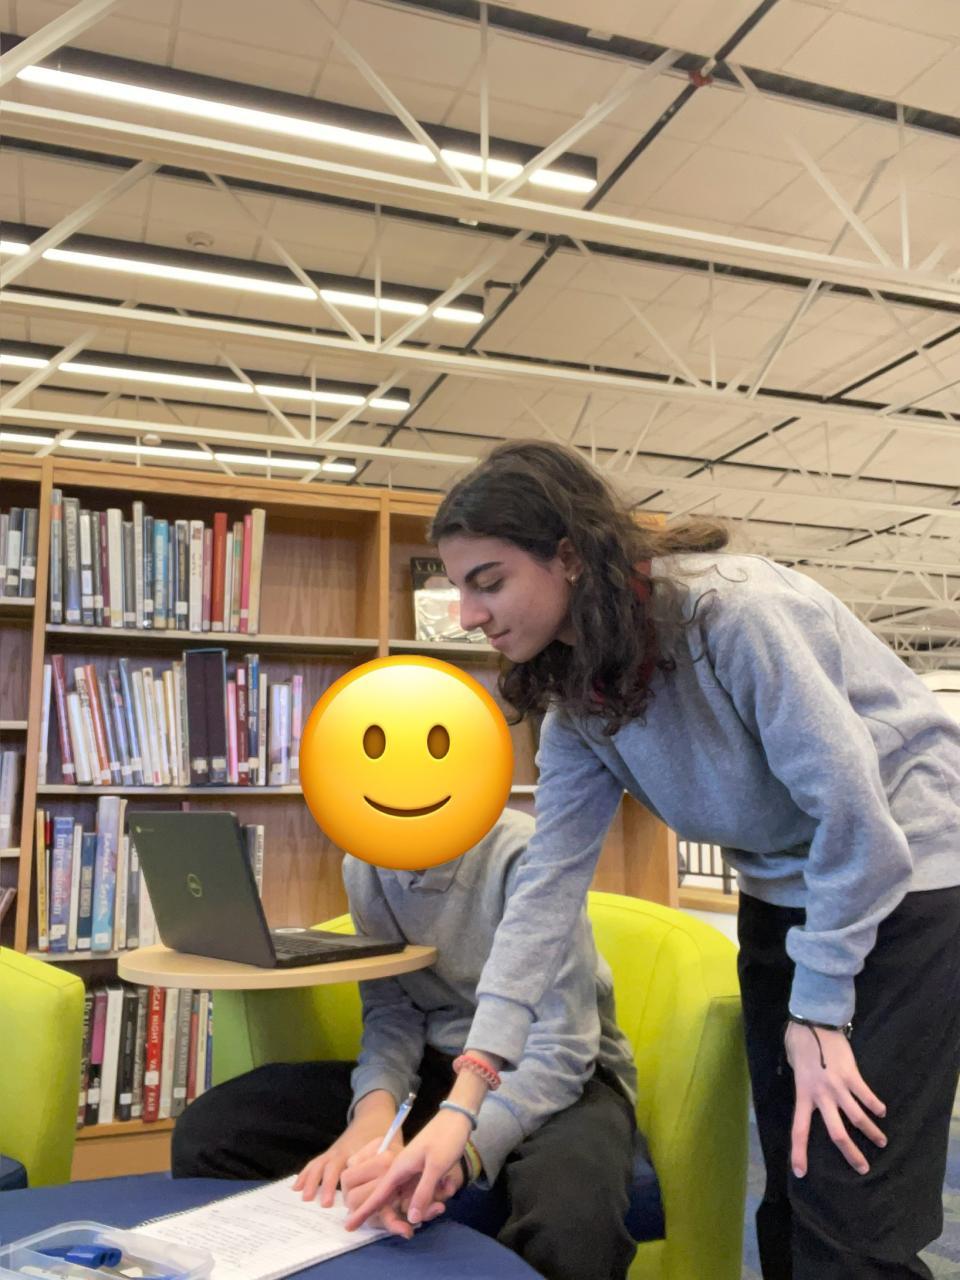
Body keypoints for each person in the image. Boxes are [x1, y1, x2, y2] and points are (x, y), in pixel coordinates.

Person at [347, 439, 960, 1280]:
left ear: (569, 555)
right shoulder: (579, 702)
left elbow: (860, 825)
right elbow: (544, 898)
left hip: (906, 878)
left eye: (488, 581)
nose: (469, 614)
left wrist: (820, 1013)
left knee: (855, 1211)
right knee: (792, 1189)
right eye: (458, 588)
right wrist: (464, 1101)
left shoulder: (734, 616)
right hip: (783, 889)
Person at [171, 806, 642, 1280]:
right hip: (438, 1071)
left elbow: (562, 1046)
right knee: (214, 1129)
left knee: (573, 1218)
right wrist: (374, 1115)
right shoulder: (364, 865)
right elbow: (392, 1013)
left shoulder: (523, 851)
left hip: (556, 1079)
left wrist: (462, 1152)